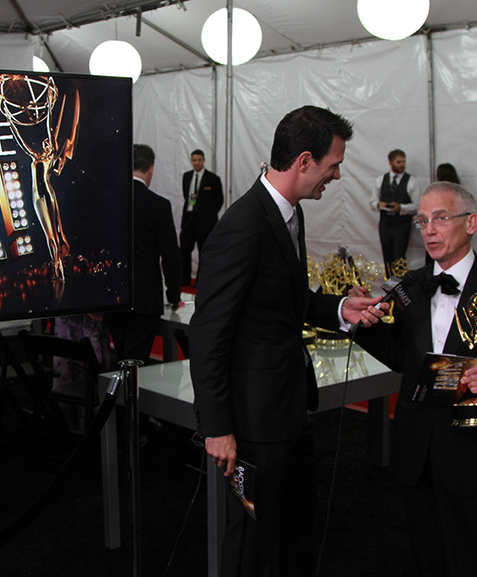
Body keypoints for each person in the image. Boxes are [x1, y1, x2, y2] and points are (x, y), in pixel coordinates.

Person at [189, 106, 386, 577]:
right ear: (303, 162)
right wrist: (217, 427)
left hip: (286, 409)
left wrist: (340, 308)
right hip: (254, 422)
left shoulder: (286, 214)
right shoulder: (243, 226)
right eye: (333, 165)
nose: (337, 176)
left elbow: (284, 300)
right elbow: (208, 332)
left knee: (294, 530)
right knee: (253, 545)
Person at [354, 182, 477, 577]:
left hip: (472, 450)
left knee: (472, 557)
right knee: (426, 556)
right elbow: (402, 358)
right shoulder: (409, 286)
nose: (429, 230)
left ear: (470, 223)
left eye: (440, 218)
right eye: (422, 221)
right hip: (415, 448)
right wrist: (364, 325)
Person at [105, 144, 182, 364]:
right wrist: (174, 295)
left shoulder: (109, 201)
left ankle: (122, 386)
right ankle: (129, 387)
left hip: (113, 294)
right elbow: (171, 256)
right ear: (151, 169)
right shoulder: (158, 205)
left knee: (121, 354)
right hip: (145, 297)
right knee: (136, 361)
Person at [370, 148, 421, 276]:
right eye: (399, 162)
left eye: (403, 162)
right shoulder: (380, 180)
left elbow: (417, 206)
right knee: (387, 257)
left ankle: (400, 284)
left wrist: (401, 207)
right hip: (385, 223)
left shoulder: (412, 181)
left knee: (399, 257)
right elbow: (372, 202)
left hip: (402, 224)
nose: (402, 165)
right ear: (390, 163)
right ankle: (389, 284)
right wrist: (379, 205)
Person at [179, 148, 224, 285]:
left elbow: (219, 200)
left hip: (205, 222)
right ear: (191, 161)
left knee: (204, 251)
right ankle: (184, 278)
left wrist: (208, 214)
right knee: (184, 249)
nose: (196, 163)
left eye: (199, 160)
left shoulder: (213, 179)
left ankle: (201, 280)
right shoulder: (187, 176)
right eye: (194, 160)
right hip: (189, 218)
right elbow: (186, 196)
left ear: (203, 160)